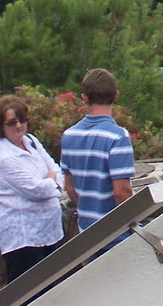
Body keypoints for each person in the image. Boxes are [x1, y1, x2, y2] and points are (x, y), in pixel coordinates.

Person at [0, 95, 65, 283]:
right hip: (24, 238)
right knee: (27, 294)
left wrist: (52, 178)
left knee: (49, 292)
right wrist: (52, 181)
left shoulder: (31, 140)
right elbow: (36, 190)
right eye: (12, 122)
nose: (18, 126)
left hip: (47, 230)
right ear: (1, 125)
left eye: (22, 120)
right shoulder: (5, 158)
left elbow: (56, 168)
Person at [60, 69, 136, 237]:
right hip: (116, 235)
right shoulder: (117, 137)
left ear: (84, 98)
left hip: (87, 232)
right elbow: (121, 191)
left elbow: (70, 187)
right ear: (116, 96)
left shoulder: (69, 136)